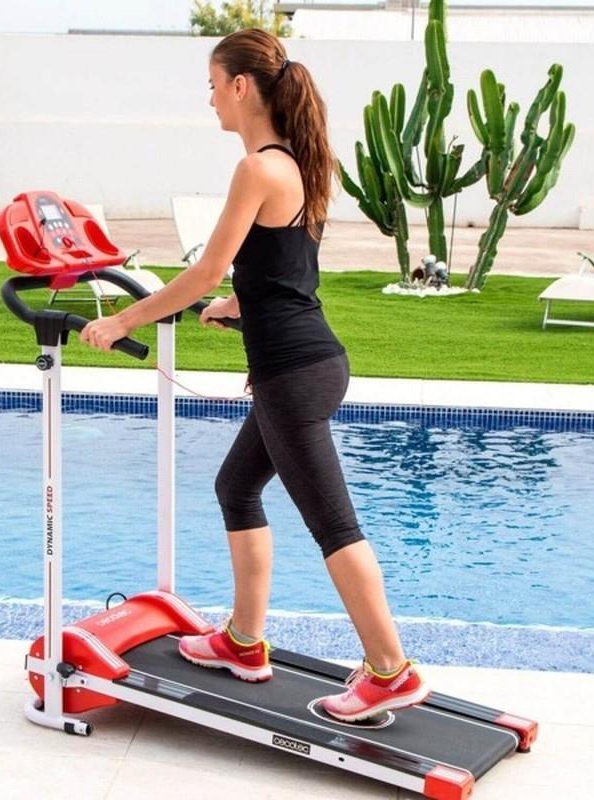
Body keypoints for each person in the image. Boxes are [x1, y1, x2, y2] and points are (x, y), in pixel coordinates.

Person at [80, 28, 429, 722]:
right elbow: (285, 270)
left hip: (294, 373)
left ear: (241, 86)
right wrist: (237, 305)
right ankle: (243, 641)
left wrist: (123, 321)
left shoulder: (257, 168)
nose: (210, 99)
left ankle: (390, 670)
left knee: (335, 525)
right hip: (309, 361)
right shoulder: (297, 163)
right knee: (236, 487)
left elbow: (206, 269)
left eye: (213, 86)